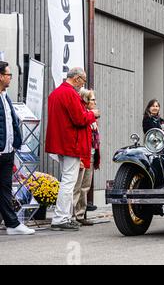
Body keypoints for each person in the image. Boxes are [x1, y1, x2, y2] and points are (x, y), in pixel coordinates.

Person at [45, 68, 100, 231]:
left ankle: (65, 216)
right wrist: (92, 114)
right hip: (71, 143)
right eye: (82, 81)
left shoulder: (55, 93)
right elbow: (79, 119)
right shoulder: (70, 94)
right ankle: (61, 218)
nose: (82, 85)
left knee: (67, 181)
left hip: (61, 142)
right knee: (69, 182)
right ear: (76, 78)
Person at [0, 61, 35, 235]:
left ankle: (12, 224)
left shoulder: (5, 96)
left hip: (7, 151)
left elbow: (11, 122)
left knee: (5, 188)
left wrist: (15, 143)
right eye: (8, 74)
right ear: (0, 76)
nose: (10, 78)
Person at [73, 89, 101, 226]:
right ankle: (71, 216)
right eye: (92, 99)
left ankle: (80, 214)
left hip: (91, 154)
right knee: (76, 186)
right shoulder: (83, 115)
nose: (95, 102)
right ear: (85, 100)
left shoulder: (93, 118)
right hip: (82, 155)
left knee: (85, 186)